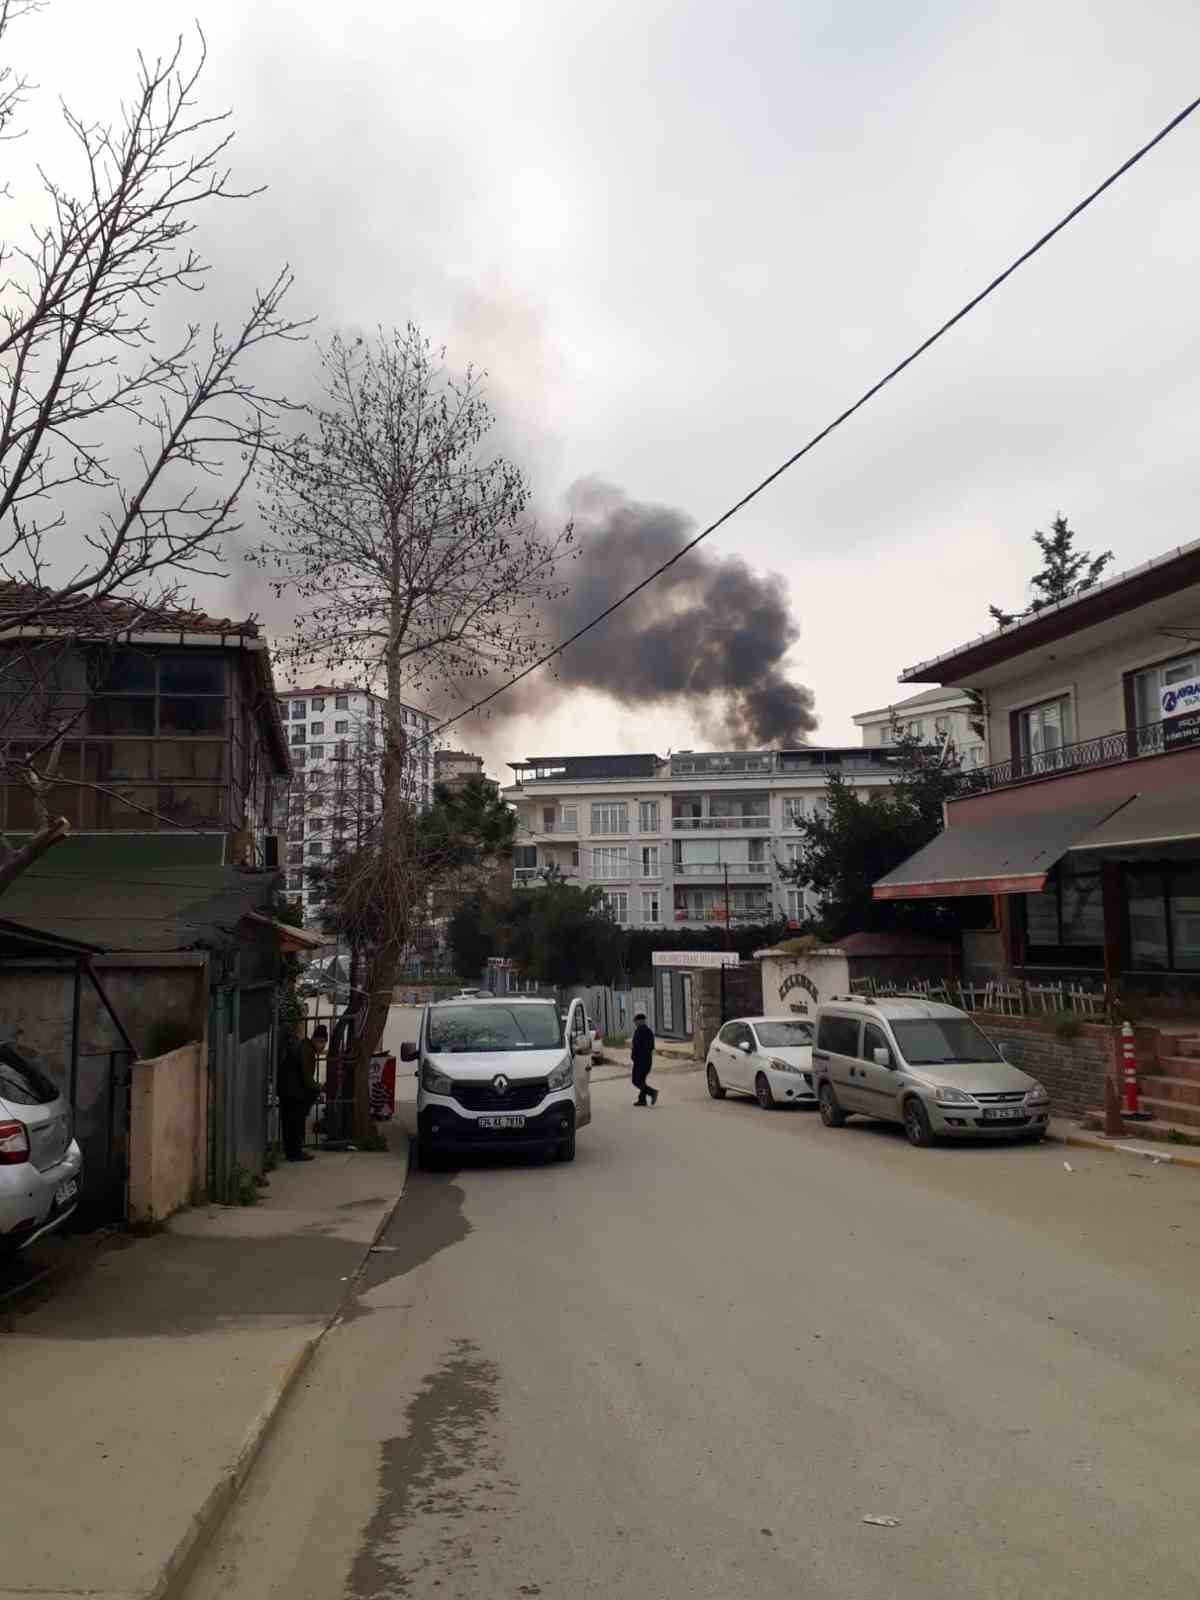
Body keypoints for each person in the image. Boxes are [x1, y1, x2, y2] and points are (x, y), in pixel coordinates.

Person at [278, 1024, 327, 1162]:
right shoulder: (308, 1051)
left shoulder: (302, 1045)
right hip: (294, 1092)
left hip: (285, 1090)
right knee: (296, 1123)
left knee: (288, 1123)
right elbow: (306, 1079)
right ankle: (296, 1153)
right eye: (322, 1043)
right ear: (318, 1040)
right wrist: (320, 1088)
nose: (323, 1047)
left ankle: (291, 1153)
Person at [630, 1011, 658, 1107]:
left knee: (636, 1080)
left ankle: (652, 1092)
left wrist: (637, 1056)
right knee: (641, 1080)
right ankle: (642, 1100)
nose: (635, 1023)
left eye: (636, 1021)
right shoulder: (643, 1031)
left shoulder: (644, 1031)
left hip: (642, 1061)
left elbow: (644, 1047)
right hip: (642, 1061)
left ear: (641, 1021)